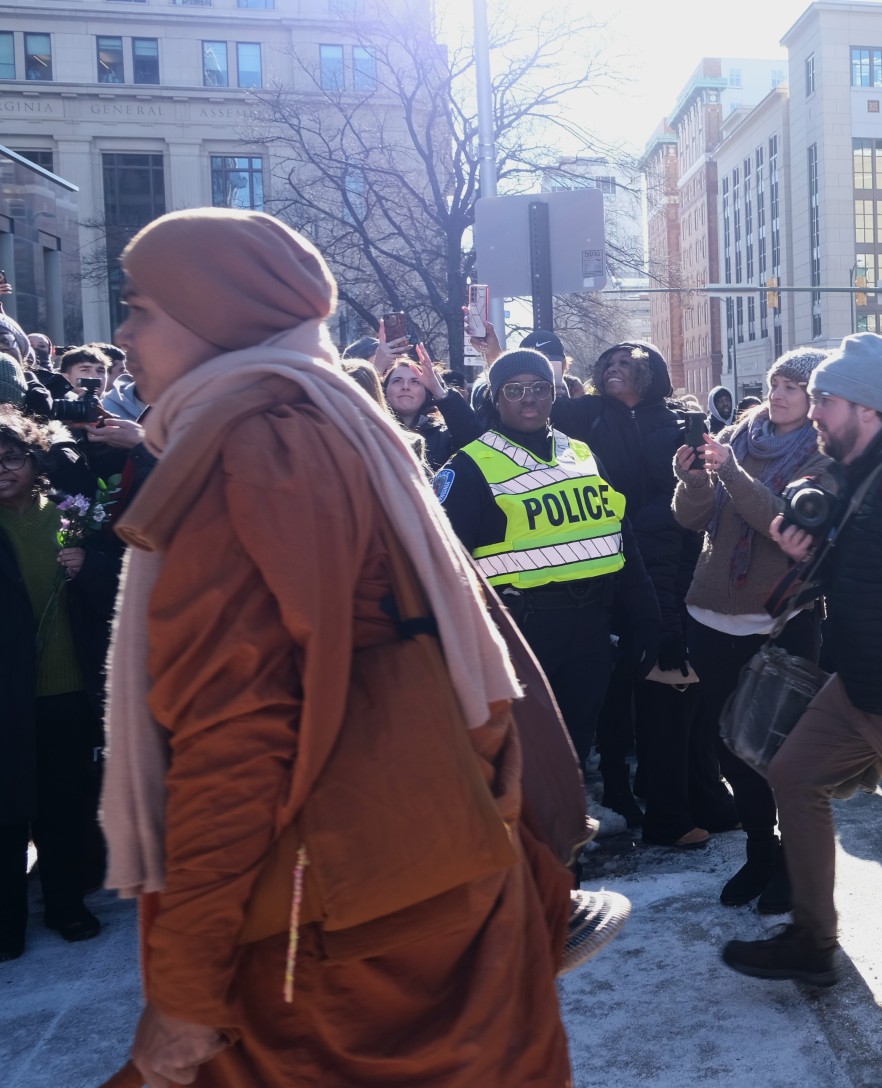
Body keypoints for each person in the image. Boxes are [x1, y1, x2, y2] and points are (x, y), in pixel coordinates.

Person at [102, 208, 575, 1086]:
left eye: (141, 307)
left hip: (329, 937)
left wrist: (184, 986)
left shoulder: (254, 448)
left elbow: (236, 742)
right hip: (438, 863)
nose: (122, 332)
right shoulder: (330, 419)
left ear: (216, 313)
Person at [721, 332, 882, 986]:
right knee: (793, 775)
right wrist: (815, 545)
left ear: (863, 407)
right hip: (855, 683)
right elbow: (870, 566)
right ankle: (812, 939)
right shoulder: (861, 469)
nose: (814, 412)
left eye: (823, 399)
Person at [438, 348, 660, 776]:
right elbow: (445, 567)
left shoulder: (581, 454)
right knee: (519, 763)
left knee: (571, 758)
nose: (529, 398)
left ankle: (564, 841)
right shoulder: (468, 466)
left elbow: (621, 538)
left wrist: (647, 617)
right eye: (515, 389)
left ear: (554, 395)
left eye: (540, 388)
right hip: (521, 631)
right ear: (495, 399)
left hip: (591, 629)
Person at [671, 348, 835, 913]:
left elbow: (782, 524)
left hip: (782, 622)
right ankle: (759, 851)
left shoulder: (827, 451)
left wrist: (729, 472)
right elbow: (693, 521)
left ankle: (793, 860)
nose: (781, 394)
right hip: (712, 614)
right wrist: (693, 481)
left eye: (795, 385)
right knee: (732, 749)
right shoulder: (737, 436)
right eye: (775, 383)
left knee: (781, 754)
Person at [540, 339, 719, 840]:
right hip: (598, 560)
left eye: (627, 364)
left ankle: (672, 790)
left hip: (667, 556)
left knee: (666, 668)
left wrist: (643, 523)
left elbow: (693, 494)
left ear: (649, 374)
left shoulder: (677, 422)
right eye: (610, 363)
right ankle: (616, 784)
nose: (615, 369)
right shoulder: (586, 414)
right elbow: (526, 402)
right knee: (613, 682)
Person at [1, 408, 113, 959]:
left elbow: (115, 589)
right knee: (5, 809)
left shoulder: (70, 516)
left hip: (66, 689)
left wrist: (87, 565)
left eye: (11, 457)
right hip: (7, 696)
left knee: (65, 806)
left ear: (34, 461)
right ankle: (7, 923)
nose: (2, 469)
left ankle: (67, 905)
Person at [377, 344, 482, 470]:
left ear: (427, 392)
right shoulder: (373, 429)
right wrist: (375, 369)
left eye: (415, 382)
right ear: (384, 390)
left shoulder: (444, 436)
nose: (405, 387)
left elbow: (475, 445)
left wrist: (439, 391)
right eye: (397, 381)